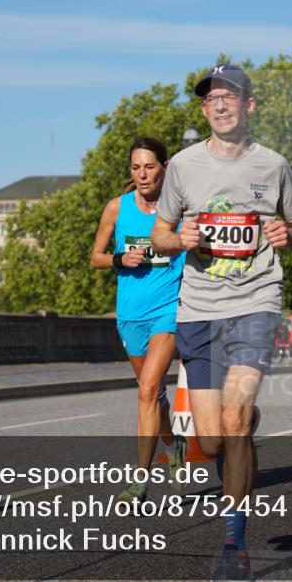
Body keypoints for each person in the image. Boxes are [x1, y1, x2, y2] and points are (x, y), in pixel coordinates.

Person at [151, 64, 292, 582]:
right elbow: (159, 235)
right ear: (204, 110)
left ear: (249, 106)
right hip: (198, 309)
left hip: (255, 302)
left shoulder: (273, 165)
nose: (220, 104)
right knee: (211, 441)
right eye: (212, 98)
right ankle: (239, 423)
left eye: (230, 96)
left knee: (236, 419)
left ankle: (234, 541)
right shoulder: (181, 166)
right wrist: (182, 239)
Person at [90, 137, 187, 503]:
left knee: (147, 390)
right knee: (155, 395)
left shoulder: (178, 208)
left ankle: (138, 482)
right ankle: (173, 442)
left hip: (169, 310)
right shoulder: (117, 208)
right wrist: (119, 260)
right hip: (130, 314)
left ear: (164, 167)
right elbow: (95, 256)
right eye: (136, 167)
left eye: (149, 166)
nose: (142, 174)